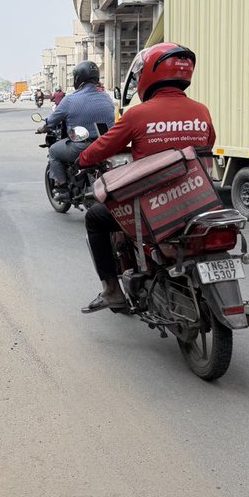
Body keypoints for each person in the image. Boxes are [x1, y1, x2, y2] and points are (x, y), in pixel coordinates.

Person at [76, 43, 215, 313]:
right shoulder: (201, 110)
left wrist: (81, 159)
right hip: (200, 200)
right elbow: (207, 142)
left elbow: (102, 148)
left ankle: (113, 291)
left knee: (95, 217)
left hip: (156, 205)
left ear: (149, 75)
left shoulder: (137, 114)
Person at [37, 61, 115, 203]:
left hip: (83, 146)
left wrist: (42, 128)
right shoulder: (106, 97)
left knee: (54, 151)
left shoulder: (70, 99)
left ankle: (63, 190)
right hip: (107, 145)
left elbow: (52, 121)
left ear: (77, 78)